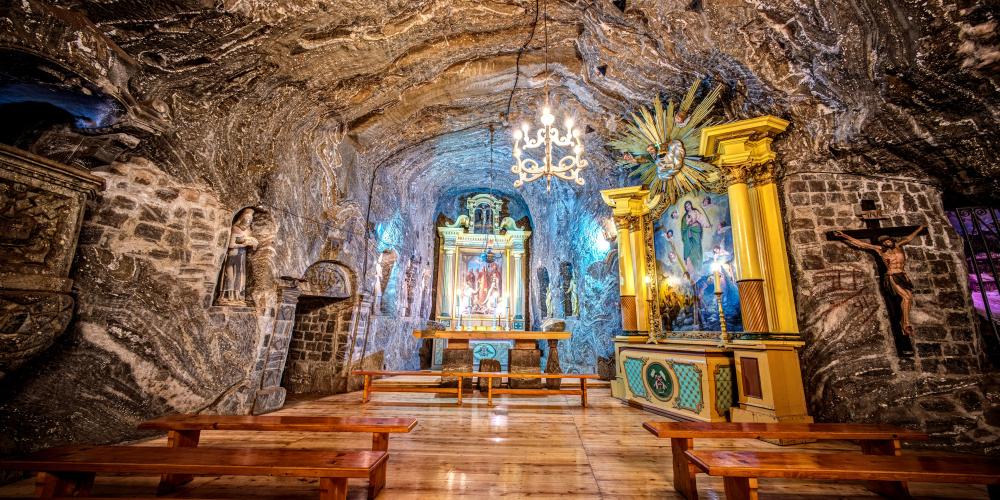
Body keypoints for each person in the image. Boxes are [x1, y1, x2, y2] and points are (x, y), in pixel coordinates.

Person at [834, 225, 926, 335]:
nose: (887, 243)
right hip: (892, 275)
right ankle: (906, 323)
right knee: (906, 297)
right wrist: (844, 235)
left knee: (909, 298)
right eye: (885, 242)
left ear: (892, 241)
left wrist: (920, 229)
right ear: (882, 244)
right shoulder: (880, 250)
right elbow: (862, 244)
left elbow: (909, 238)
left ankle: (903, 321)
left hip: (903, 275)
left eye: (888, 241)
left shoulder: (899, 246)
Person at [217, 209, 259, 305]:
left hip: (241, 256)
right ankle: (227, 296)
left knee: (240, 277)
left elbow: (251, 248)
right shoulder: (235, 228)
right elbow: (231, 245)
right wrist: (244, 244)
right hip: (233, 254)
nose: (248, 221)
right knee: (230, 276)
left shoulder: (249, 231)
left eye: (250, 220)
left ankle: (238, 296)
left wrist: (253, 244)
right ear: (242, 218)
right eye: (246, 219)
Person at [680, 200, 711, 272]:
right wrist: (688, 229)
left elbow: (701, 219)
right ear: (685, 207)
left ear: (691, 205)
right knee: (690, 248)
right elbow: (683, 228)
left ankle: (698, 266)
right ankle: (691, 268)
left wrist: (706, 225)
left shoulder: (695, 212)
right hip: (689, 234)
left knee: (697, 246)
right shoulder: (685, 217)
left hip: (696, 231)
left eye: (688, 205)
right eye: (686, 206)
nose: (687, 207)